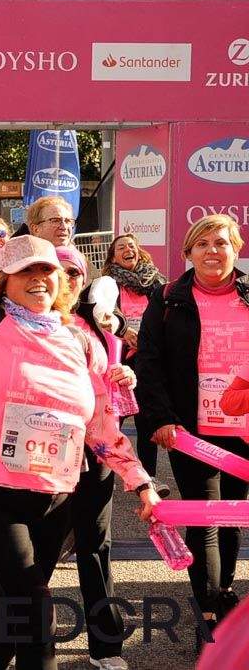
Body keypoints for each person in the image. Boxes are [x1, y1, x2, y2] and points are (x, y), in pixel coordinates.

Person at [0, 149, 159, 670]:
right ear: (5, 280)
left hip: (54, 494)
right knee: (33, 606)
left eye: (49, 271)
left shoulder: (77, 341)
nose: (41, 279)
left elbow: (102, 428)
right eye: (26, 271)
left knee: (9, 604)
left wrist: (142, 484)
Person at [136, 214, 249, 644]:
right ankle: (208, 613)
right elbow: (149, 362)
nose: (212, 252)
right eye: (202, 244)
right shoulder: (166, 298)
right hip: (190, 430)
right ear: (188, 253)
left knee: (234, 516)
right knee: (206, 518)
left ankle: (223, 595)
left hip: (244, 429)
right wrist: (161, 418)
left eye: (221, 243)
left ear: (236, 249)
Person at [56, 244, 134, 670]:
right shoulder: (21, 321)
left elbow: (108, 385)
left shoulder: (101, 323)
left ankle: (106, 647)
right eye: (59, 269)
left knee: (95, 547)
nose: (66, 279)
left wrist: (124, 376)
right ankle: (8, 636)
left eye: (74, 272)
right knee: (26, 553)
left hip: (95, 450)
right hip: (37, 456)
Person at [101, 233, 168, 488]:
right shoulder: (107, 285)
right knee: (113, 421)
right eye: (121, 247)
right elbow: (99, 317)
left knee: (146, 420)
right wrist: (123, 332)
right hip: (120, 361)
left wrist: (152, 340)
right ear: (113, 256)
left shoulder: (158, 283)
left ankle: (148, 476)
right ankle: (104, 475)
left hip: (148, 360)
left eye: (131, 245)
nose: (128, 249)